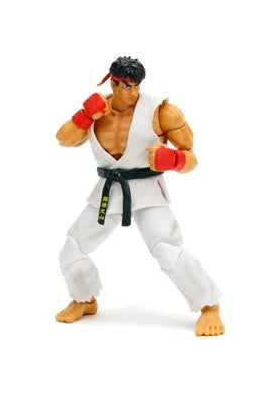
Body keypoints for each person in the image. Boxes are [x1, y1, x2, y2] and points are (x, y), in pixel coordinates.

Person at [54, 56, 224, 336]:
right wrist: (85, 115)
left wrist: (173, 160)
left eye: (136, 86)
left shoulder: (162, 112)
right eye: (125, 86)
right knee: (72, 248)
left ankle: (209, 305)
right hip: (109, 189)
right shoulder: (97, 109)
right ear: (113, 83)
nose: (132, 92)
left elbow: (191, 158)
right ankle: (84, 299)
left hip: (147, 190)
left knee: (167, 250)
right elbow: (64, 139)